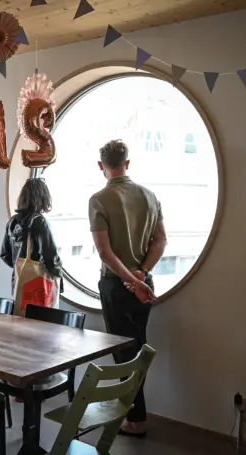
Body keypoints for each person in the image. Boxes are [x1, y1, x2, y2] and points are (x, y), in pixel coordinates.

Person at [88, 140, 167, 437]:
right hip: (143, 284)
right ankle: (135, 415)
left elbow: (105, 252)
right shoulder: (149, 196)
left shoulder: (99, 199)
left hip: (116, 285)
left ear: (101, 166)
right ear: (127, 163)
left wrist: (131, 281)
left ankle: (135, 419)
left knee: (124, 355)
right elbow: (161, 240)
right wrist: (141, 275)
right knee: (138, 348)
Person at [1, 177, 63, 298]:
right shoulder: (39, 222)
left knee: (19, 309)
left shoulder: (12, 222)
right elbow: (50, 257)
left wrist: (22, 269)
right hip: (38, 286)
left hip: (18, 283)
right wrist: (59, 275)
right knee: (38, 310)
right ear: (42, 198)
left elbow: (5, 255)